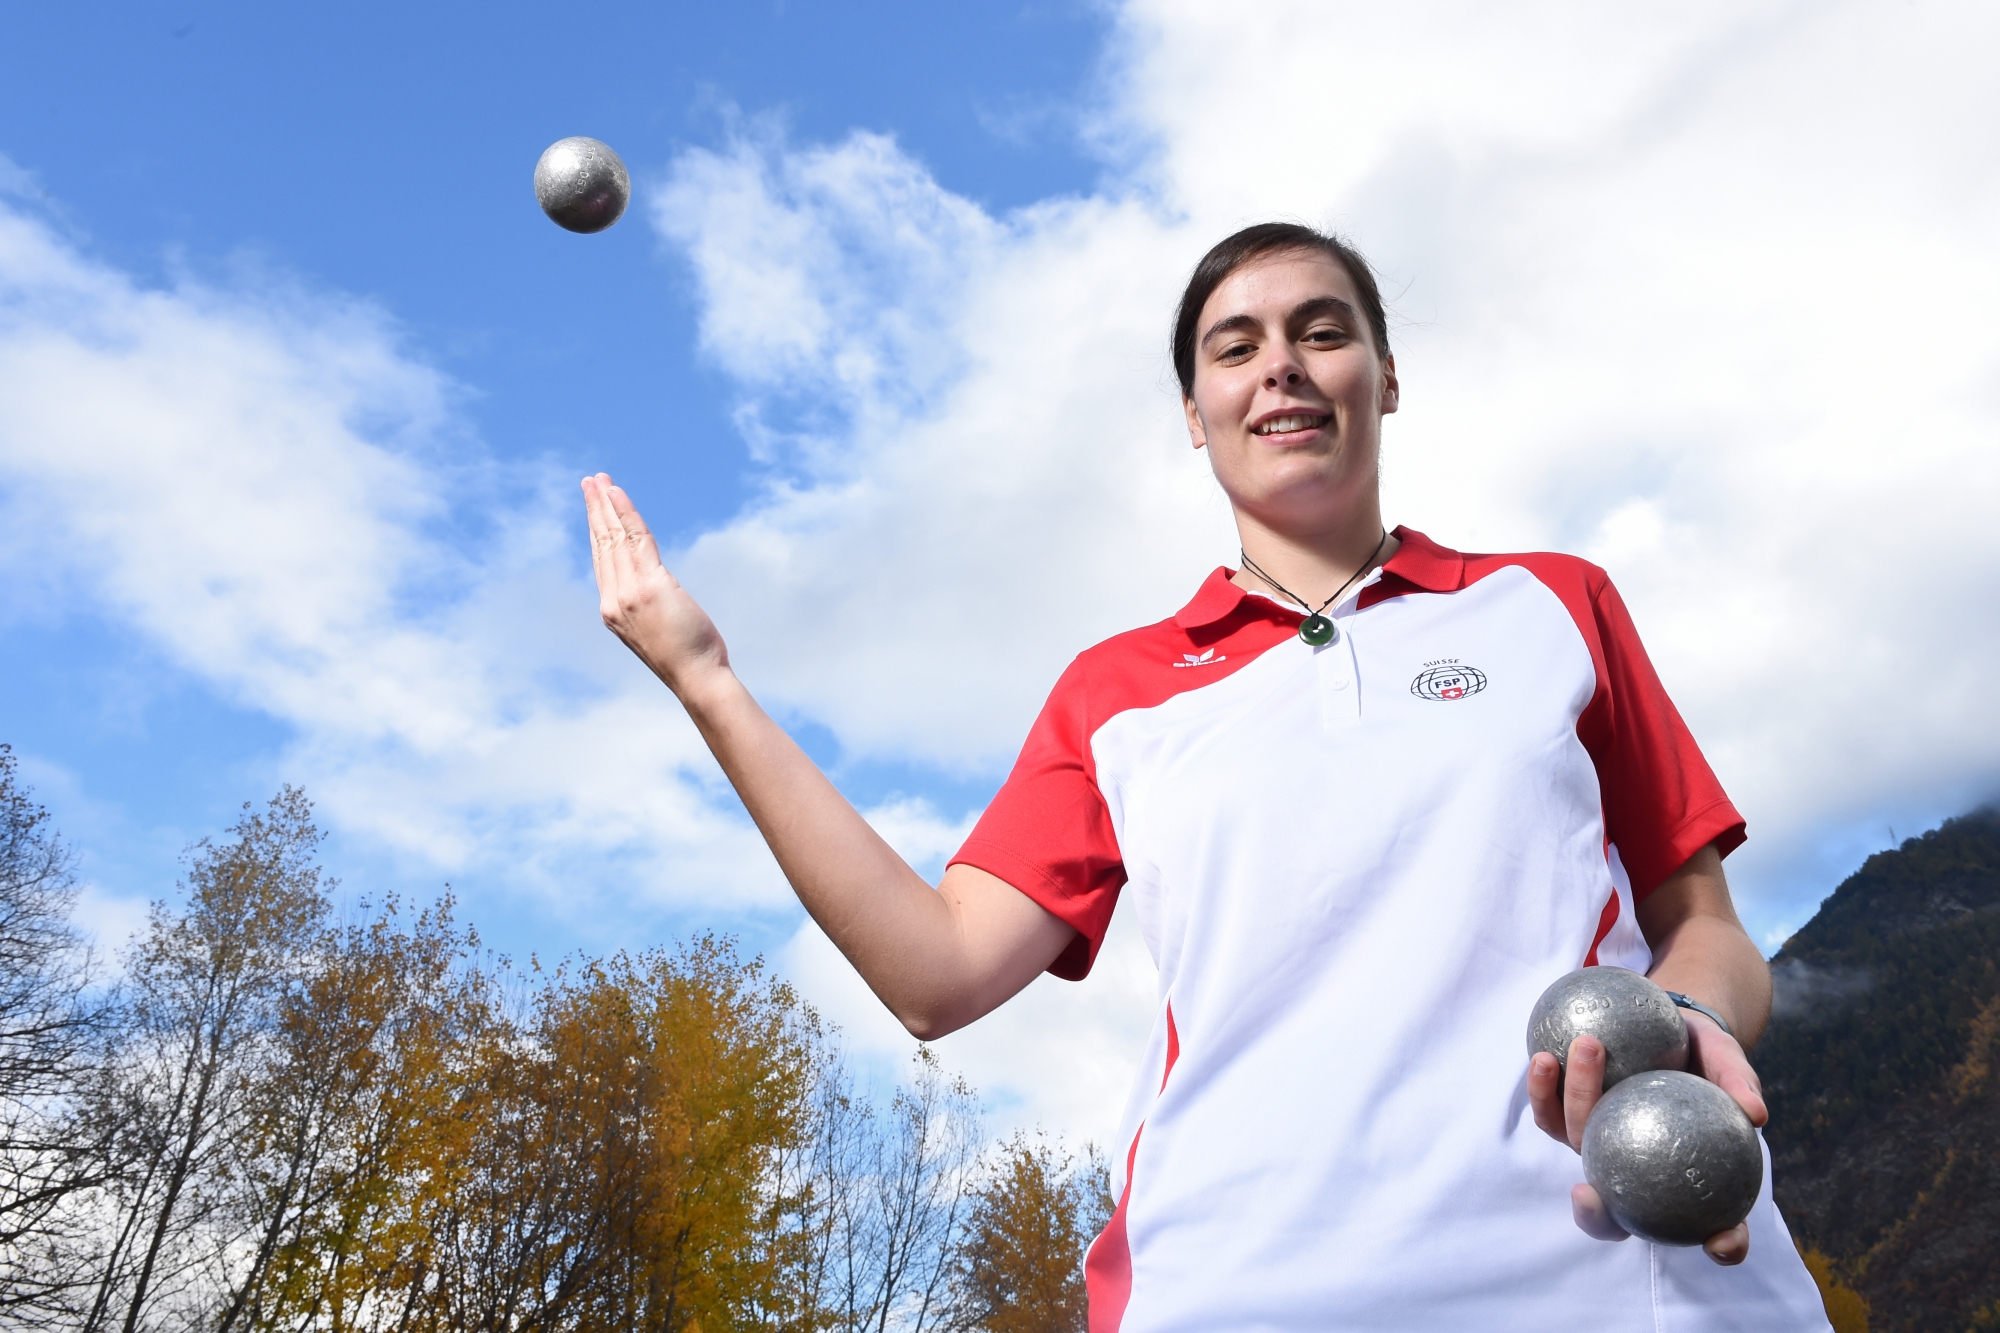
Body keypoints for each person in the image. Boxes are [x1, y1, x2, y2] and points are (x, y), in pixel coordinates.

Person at [581, 223, 1832, 1330]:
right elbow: (936, 974)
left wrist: (1696, 1023)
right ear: (1193, 410)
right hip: (1241, 1281)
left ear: (1384, 378)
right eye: (1233, 347)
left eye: (1320, 331)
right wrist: (709, 683)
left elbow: (1703, 931)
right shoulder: (1113, 693)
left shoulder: (1549, 603)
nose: (1278, 363)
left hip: (1621, 1269)